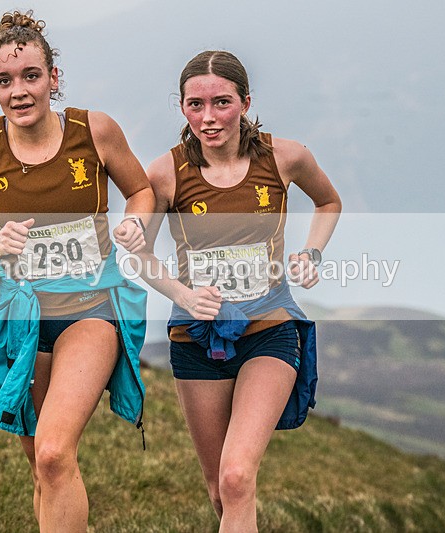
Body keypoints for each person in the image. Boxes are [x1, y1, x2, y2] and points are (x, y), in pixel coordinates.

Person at [0, 11, 154, 532]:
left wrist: (133, 225)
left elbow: (141, 192)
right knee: (41, 468)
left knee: (55, 454)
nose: (19, 91)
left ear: (53, 77)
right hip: (24, 322)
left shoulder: (94, 131)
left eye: (31, 75)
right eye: (4, 81)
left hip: (90, 313)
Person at [137, 50, 341, 530]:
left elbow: (329, 201)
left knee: (235, 477)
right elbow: (138, 254)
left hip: (271, 326)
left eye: (222, 103)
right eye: (195, 105)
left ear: (246, 102)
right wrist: (182, 295)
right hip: (196, 335)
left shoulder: (286, 156)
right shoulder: (165, 173)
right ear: (182, 107)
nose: (208, 118)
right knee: (218, 491)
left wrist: (311, 252)